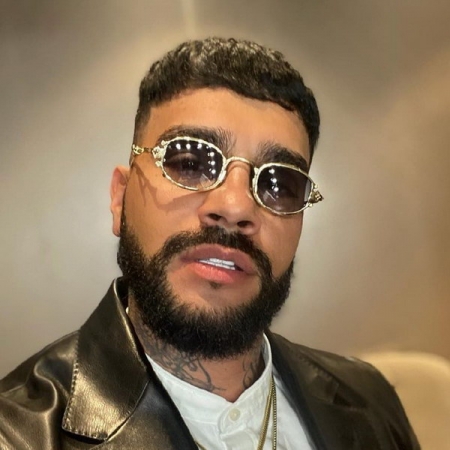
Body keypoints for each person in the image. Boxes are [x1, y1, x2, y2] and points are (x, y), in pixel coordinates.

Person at [0, 37, 419, 450]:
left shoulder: (372, 401)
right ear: (120, 197)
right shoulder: (18, 435)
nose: (235, 207)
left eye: (278, 183)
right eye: (190, 162)